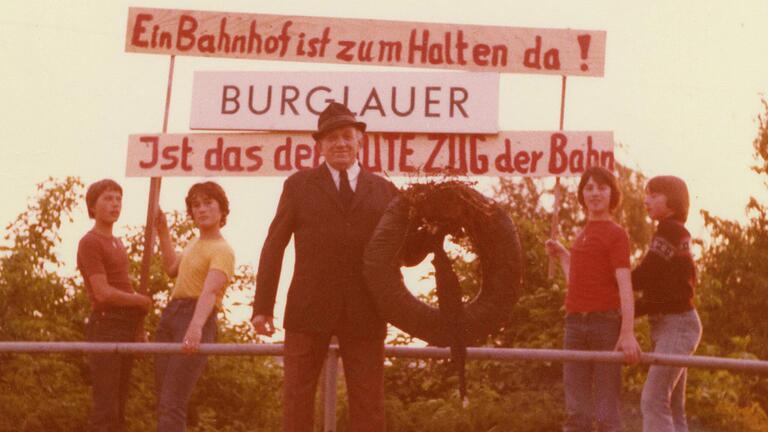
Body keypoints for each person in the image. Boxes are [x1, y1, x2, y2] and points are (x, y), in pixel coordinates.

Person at [251, 102, 399, 432]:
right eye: (331, 138)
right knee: (296, 403)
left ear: (361, 140)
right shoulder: (298, 186)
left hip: (367, 311)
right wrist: (263, 307)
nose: (340, 144)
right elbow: (274, 246)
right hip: (307, 310)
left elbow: (404, 251)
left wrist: (435, 230)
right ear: (319, 145)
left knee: (369, 406)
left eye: (347, 136)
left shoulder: (386, 190)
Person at [545, 166, 642, 432]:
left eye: (601, 187)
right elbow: (577, 282)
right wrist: (565, 256)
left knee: (606, 412)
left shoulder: (616, 234)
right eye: (589, 188)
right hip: (574, 324)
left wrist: (627, 332)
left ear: (612, 194)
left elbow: (625, 285)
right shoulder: (582, 234)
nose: (595, 193)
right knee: (576, 412)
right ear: (582, 195)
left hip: (605, 324)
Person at [154, 181, 235, 432]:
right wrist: (162, 230)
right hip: (172, 313)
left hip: (195, 316)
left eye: (208, 203)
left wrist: (195, 327)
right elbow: (171, 269)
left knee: (173, 401)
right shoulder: (194, 243)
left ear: (222, 210)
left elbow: (210, 292)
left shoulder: (223, 250)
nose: (201, 209)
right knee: (162, 399)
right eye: (196, 205)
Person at [77, 179, 153, 432]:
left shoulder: (118, 243)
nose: (115, 204)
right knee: (106, 409)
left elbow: (126, 286)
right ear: (92, 206)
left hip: (125, 326)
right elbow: (103, 293)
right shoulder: (90, 242)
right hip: (106, 325)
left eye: (118, 199)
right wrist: (140, 301)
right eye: (108, 199)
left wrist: (139, 330)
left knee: (119, 409)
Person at [633, 176, 701, 432]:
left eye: (653, 195)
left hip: (676, 325)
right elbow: (660, 289)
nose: (646, 200)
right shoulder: (674, 232)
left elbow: (645, 276)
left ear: (672, 202)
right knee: (672, 405)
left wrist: (614, 280)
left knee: (653, 400)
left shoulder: (669, 231)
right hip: (674, 324)